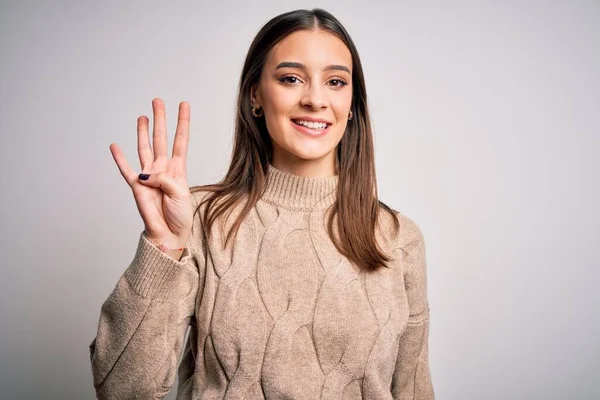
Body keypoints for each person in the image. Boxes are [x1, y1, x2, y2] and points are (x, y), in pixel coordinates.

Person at [89, 8, 434, 400]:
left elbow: (413, 389)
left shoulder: (399, 239)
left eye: (336, 81)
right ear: (255, 94)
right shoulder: (199, 219)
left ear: (352, 103)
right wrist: (164, 247)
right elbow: (121, 390)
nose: (316, 99)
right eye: (291, 79)